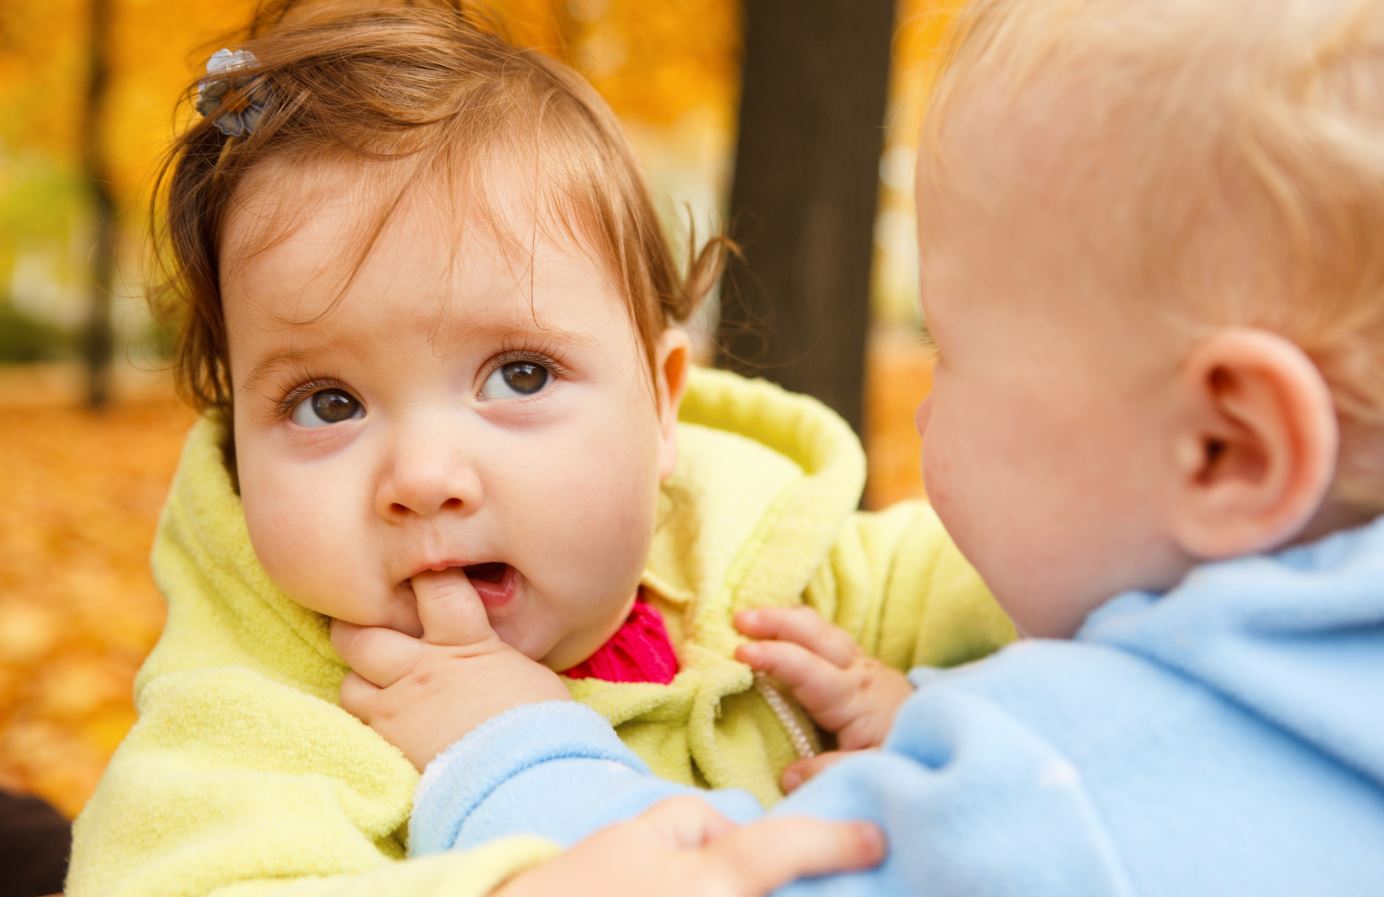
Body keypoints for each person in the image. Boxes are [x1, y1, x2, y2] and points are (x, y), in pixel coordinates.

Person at [358, 0, 1384, 892]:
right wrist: (937, 733)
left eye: (952, 349)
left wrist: (508, 750)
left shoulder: (1060, 792)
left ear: (1225, 450)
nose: (925, 409)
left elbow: (725, 879)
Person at [64, 2, 1014, 895]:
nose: (423, 478)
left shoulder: (782, 578)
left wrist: (937, 718)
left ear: (662, 407)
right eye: (328, 402)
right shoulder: (265, 714)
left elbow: (1059, 575)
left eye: (519, 375)